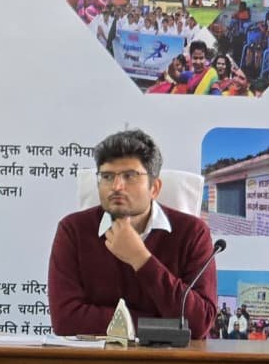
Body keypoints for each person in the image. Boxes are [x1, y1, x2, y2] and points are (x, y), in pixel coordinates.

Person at [47, 129, 217, 337]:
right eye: (107, 176)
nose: (116, 186)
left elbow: (199, 323)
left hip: (171, 357)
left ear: (154, 188)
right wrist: (161, 325)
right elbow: (66, 320)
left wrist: (141, 259)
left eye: (129, 176)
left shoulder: (192, 233)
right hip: (95, 357)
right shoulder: (73, 230)